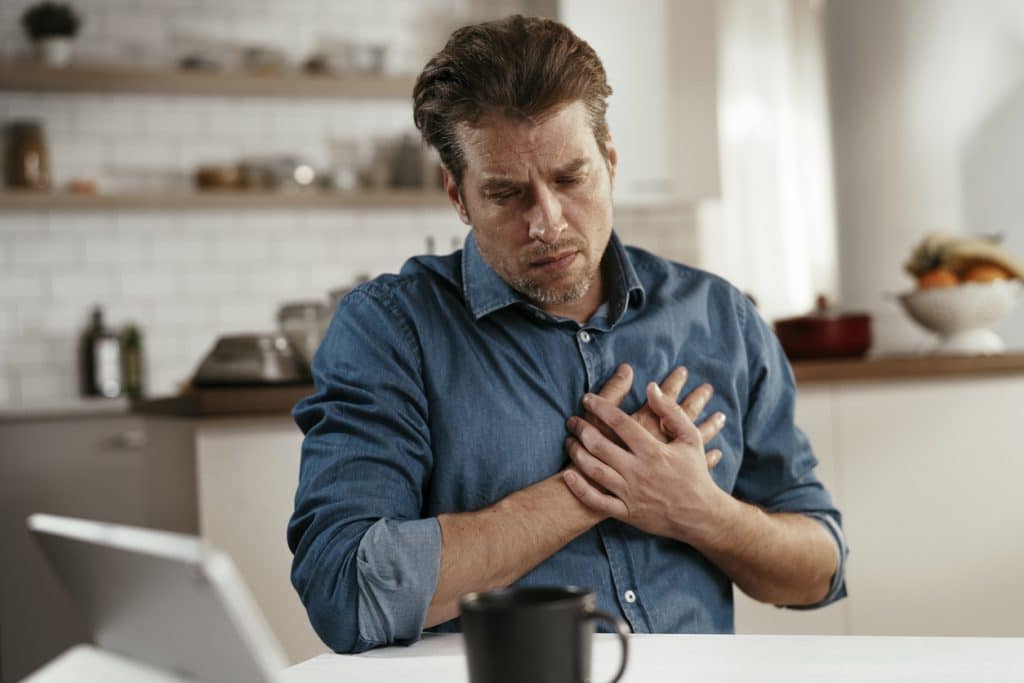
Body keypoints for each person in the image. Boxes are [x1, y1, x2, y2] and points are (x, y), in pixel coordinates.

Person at [288, 14, 847, 654]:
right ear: (458, 196)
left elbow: (820, 569)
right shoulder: (391, 330)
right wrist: (590, 492)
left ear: (609, 160)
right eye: (506, 194)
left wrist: (701, 510)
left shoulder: (722, 317)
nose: (546, 222)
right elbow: (344, 592)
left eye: (569, 178)